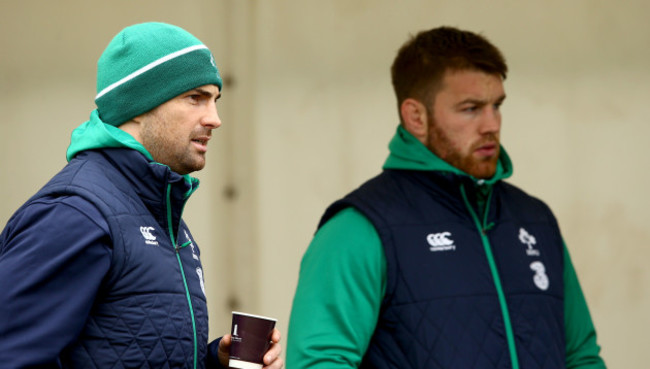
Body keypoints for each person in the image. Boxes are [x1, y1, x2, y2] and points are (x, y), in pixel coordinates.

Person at [287, 26, 606, 369]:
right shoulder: (359, 228)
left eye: (497, 106)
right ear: (416, 117)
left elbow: (581, 356)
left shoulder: (535, 219)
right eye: (470, 108)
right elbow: (318, 361)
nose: (491, 124)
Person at [0, 22, 283, 369]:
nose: (215, 119)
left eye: (215, 100)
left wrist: (215, 363)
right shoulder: (75, 214)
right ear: (137, 104)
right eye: (195, 98)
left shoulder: (159, 209)